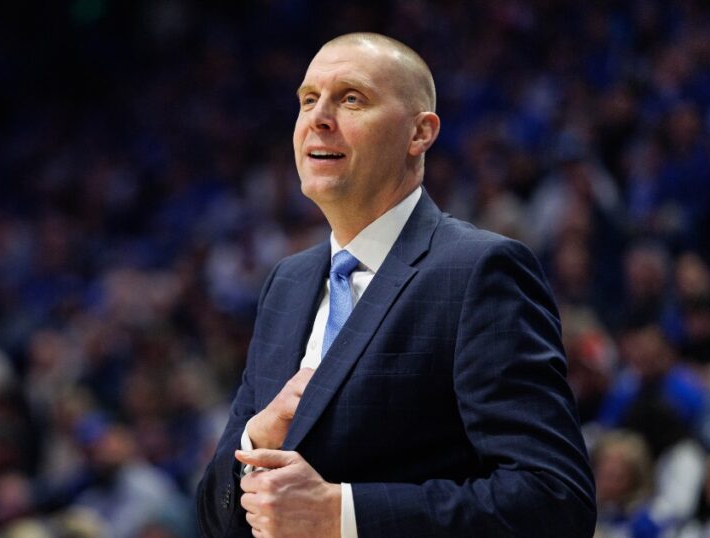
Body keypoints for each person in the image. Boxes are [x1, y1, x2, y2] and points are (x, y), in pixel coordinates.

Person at [196, 32, 596, 537]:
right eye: (307, 99)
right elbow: (215, 519)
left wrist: (341, 515)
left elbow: (553, 501)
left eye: (351, 99)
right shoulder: (287, 284)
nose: (319, 117)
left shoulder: (479, 270)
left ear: (419, 133)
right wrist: (254, 440)